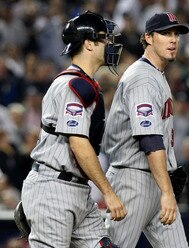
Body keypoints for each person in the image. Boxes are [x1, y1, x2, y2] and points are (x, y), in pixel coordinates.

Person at [20, 10, 127, 247]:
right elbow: (79, 144)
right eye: (103, 38)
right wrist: (108, 193)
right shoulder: (73, 85)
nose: (110, 43)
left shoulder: (85, 83)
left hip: (77, 189)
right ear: (88, 44)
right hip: (53, 189)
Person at [102, 12, 189, 247]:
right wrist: (168, 192)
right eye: (165, 34)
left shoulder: (155, 74)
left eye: (176, 34)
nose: (173, 40)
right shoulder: (142, 78)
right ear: (148, 38)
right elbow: (150, 139)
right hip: (132, 180)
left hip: (156, 180)